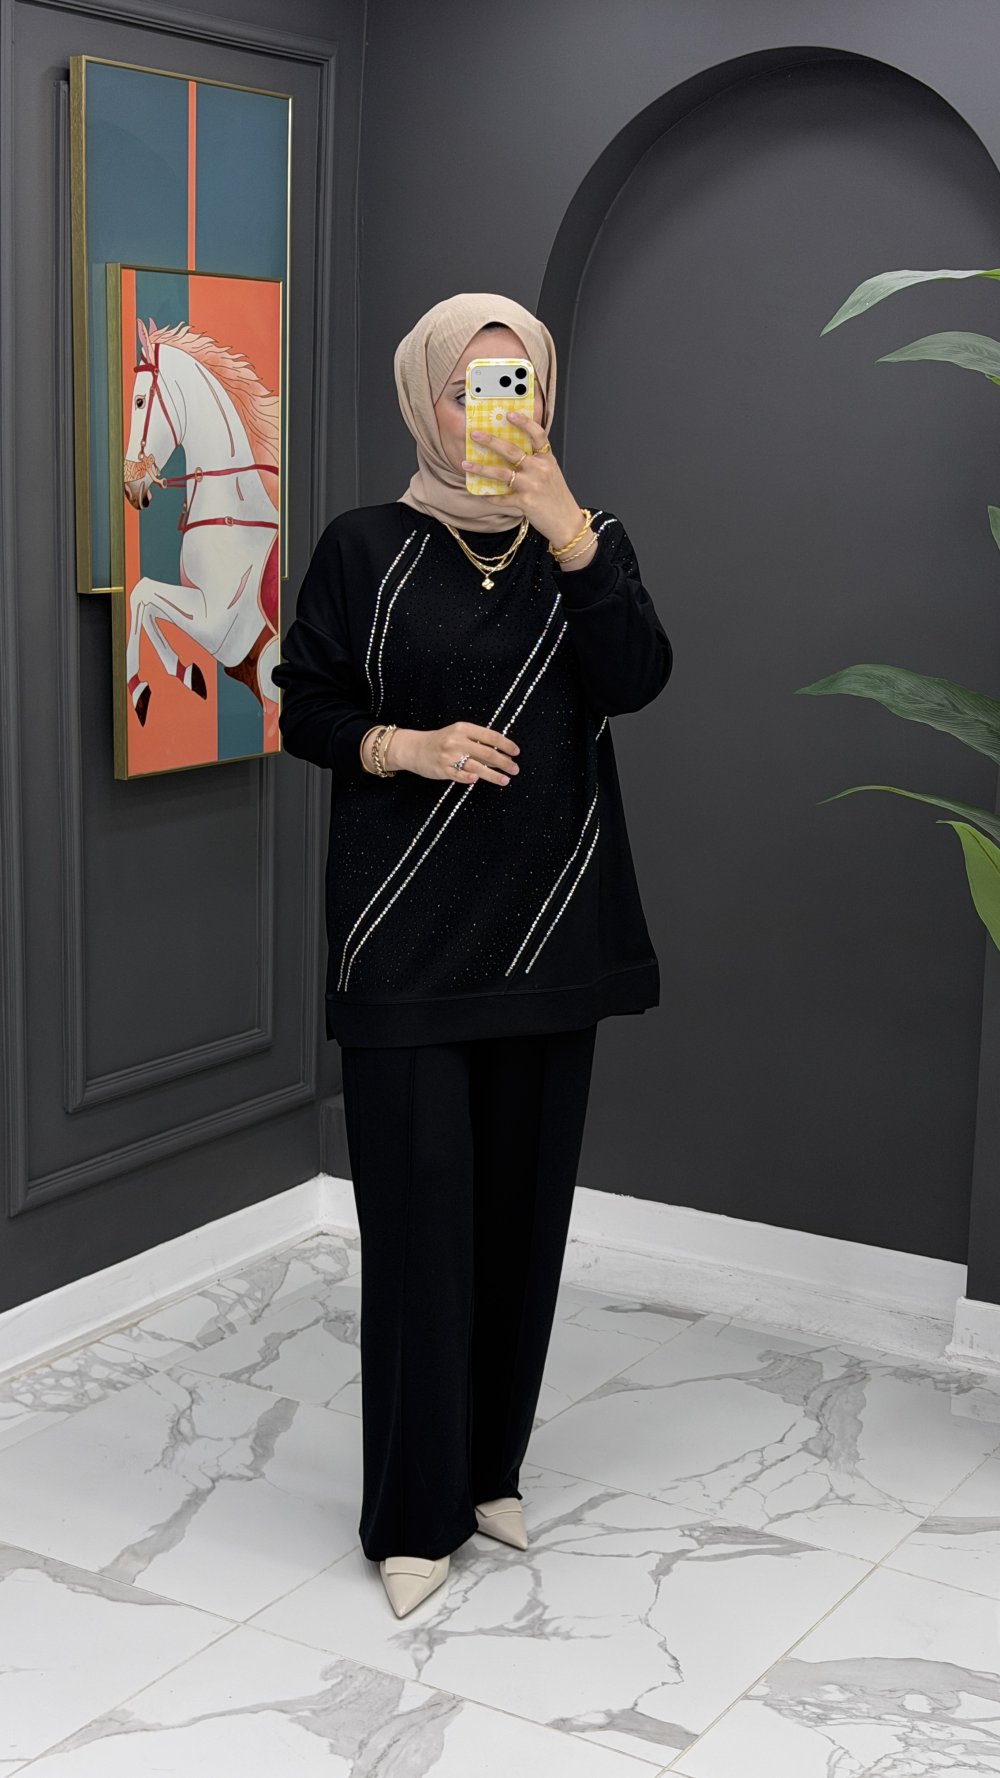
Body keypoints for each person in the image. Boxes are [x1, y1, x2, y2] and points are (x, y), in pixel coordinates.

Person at [270, 292, 672, 1618]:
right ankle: (412, 1516)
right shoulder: (364, 546)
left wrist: (570, 530)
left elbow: (636, 677)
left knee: (520, 1226)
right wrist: (409, 745)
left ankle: (490, 1472)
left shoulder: (586, 543)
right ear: (424, 399)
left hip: (552, 930)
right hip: (406, 940)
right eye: (474, 388)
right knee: (419, 1236)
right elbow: (307, 707)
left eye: (523, 386)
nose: (503, 411)